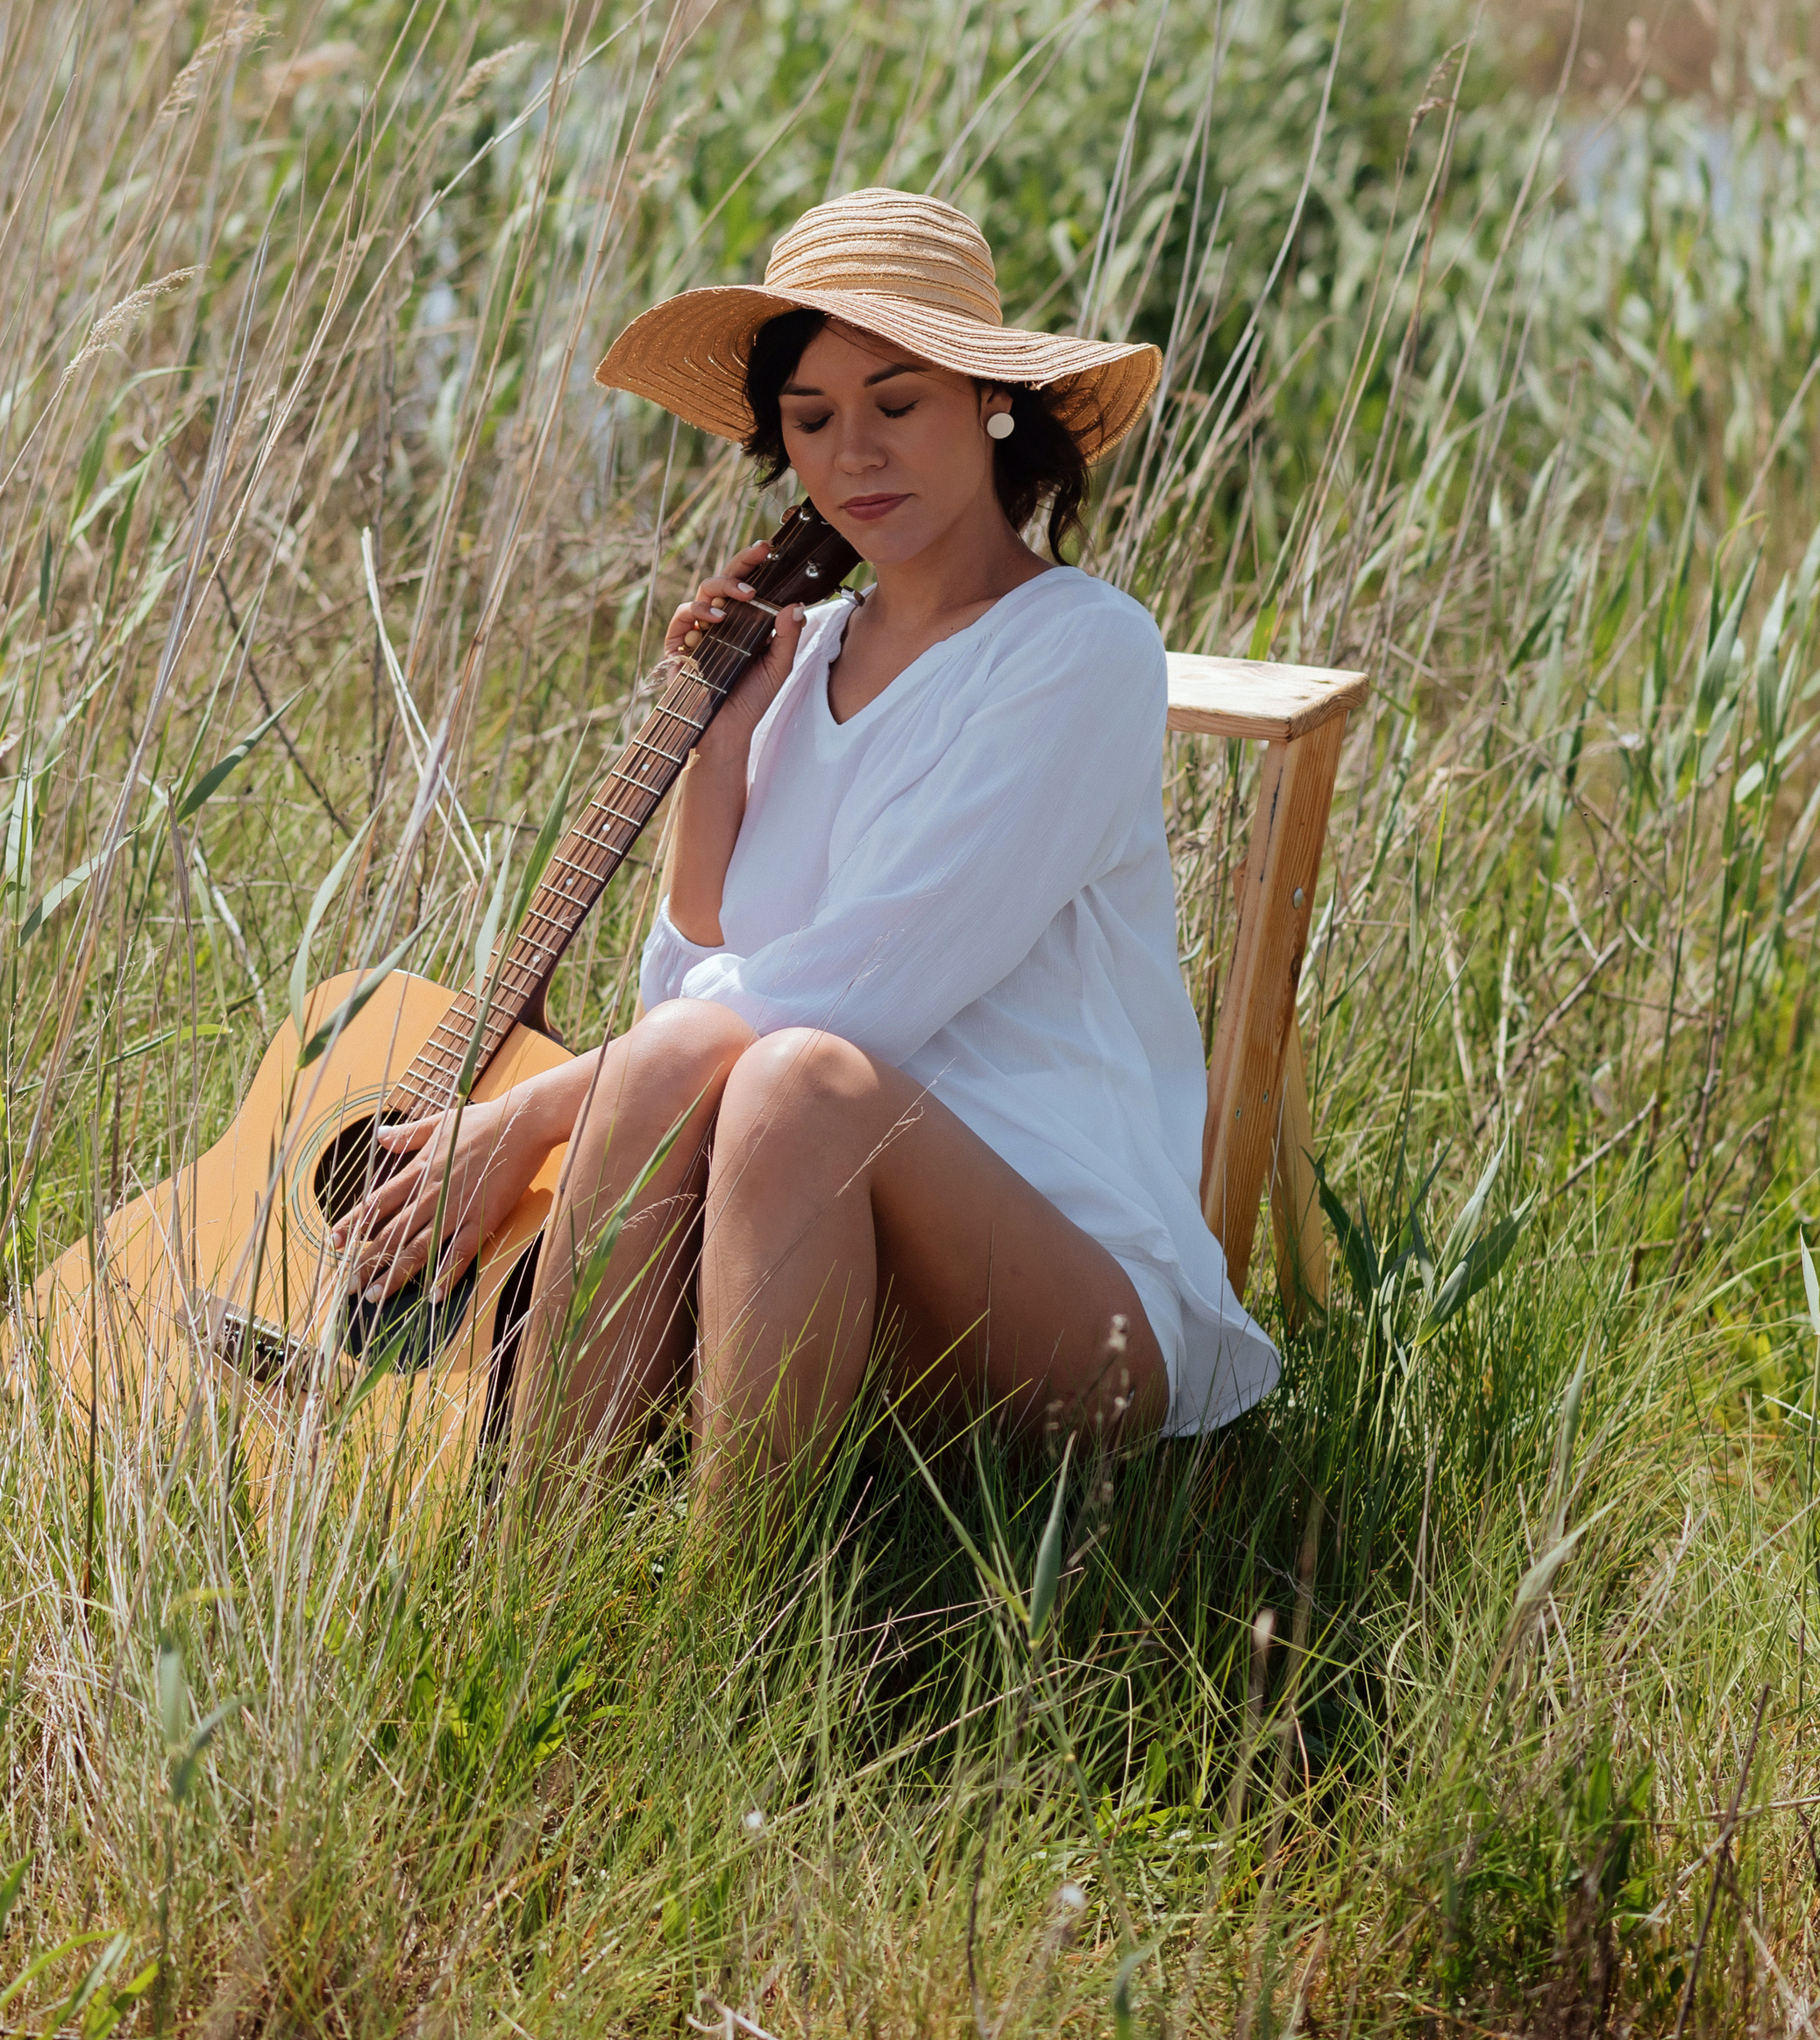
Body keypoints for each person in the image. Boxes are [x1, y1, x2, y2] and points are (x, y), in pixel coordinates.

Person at [338, 187, 1279, 1496]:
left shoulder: (1080, 650)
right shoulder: (810, 651)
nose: (854, 457)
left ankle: (721, 1633)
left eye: (898, 403)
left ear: (990, 403)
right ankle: (527, 1566)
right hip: (792, 1249)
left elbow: (854, 1002)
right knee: (741, 1070)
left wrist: (529, 1109)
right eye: (814, 419)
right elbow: (684, 1008)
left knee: (791, 1081)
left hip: (1064, 1285)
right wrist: (718, 752)